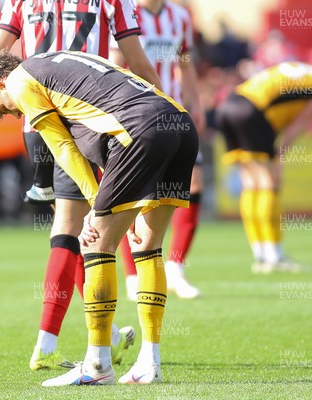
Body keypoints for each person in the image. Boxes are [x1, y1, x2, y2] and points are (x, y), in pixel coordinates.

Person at [0, 0, 165, 371]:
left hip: (32, 123)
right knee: (78, 228)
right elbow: (139, 63)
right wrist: (166, 115)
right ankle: (50, 342)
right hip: (80, 116)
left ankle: (107, 334)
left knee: (71, 231)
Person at [0, 50, 198, 386]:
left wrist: (96, 203)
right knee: (148, 246)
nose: (18, 112)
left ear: (0, 82)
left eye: (7, 106)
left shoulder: (20, 81)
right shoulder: (64, 58)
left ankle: (97, 366)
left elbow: (63, 146)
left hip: (138, 130)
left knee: (96, 244)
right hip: (178, 122)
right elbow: (107, 112)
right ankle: (149, 363)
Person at [216, 62, 312, 273]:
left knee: (251, 183)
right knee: (269, 182)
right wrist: (280, 158)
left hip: (229, 106)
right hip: (253, 111)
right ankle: (275, 255)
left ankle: (261, 255)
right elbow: (298, 125)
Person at [111, 0, 205, 299]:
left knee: (193, 184)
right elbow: (114, 66)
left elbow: (185, 63)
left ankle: (175, 267)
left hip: (175, 115)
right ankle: (131, 275)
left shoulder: (179, 16)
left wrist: (196, 104)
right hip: (137, 117)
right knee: (132, 194)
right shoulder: (126, 12)